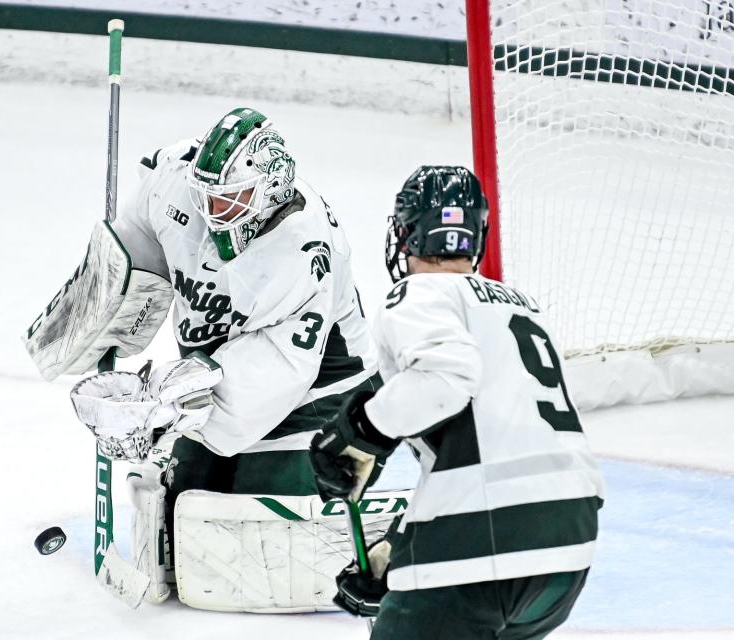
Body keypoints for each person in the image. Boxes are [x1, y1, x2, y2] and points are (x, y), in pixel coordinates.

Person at [309, 166, 605, 638]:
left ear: (404, 232)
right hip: (569, 546)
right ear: (477, 234)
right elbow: (491, 451)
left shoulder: (418, 293)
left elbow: (446, 379)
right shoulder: (523, 306)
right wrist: (399, 552)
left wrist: (362, 431)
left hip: (483, 544)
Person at [108, 106, 380, 551]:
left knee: (252, 535)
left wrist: (169, 403)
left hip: (320, 397)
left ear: (270, 189)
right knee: (182, 512)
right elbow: (139, 231)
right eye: (206, 196)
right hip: (219, 379)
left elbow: (280, 366)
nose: (210, 211)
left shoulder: (302, 247)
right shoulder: (180, 184)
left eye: (227, 199)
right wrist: (110, 299)